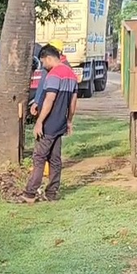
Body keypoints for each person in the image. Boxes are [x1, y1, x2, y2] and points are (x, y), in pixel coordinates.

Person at [20, 44, 80, 203]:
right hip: (60, 124)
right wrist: (69, 121)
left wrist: (39, 122)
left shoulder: (54, 75)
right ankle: (52, 193)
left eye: (43, 62)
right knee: (55, 159)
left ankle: (30, 193)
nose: (43, 65)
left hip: (48, 124)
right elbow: (73, 103)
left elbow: (49, 100)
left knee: (39, 157)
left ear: (48, 58)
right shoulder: (71, 75)